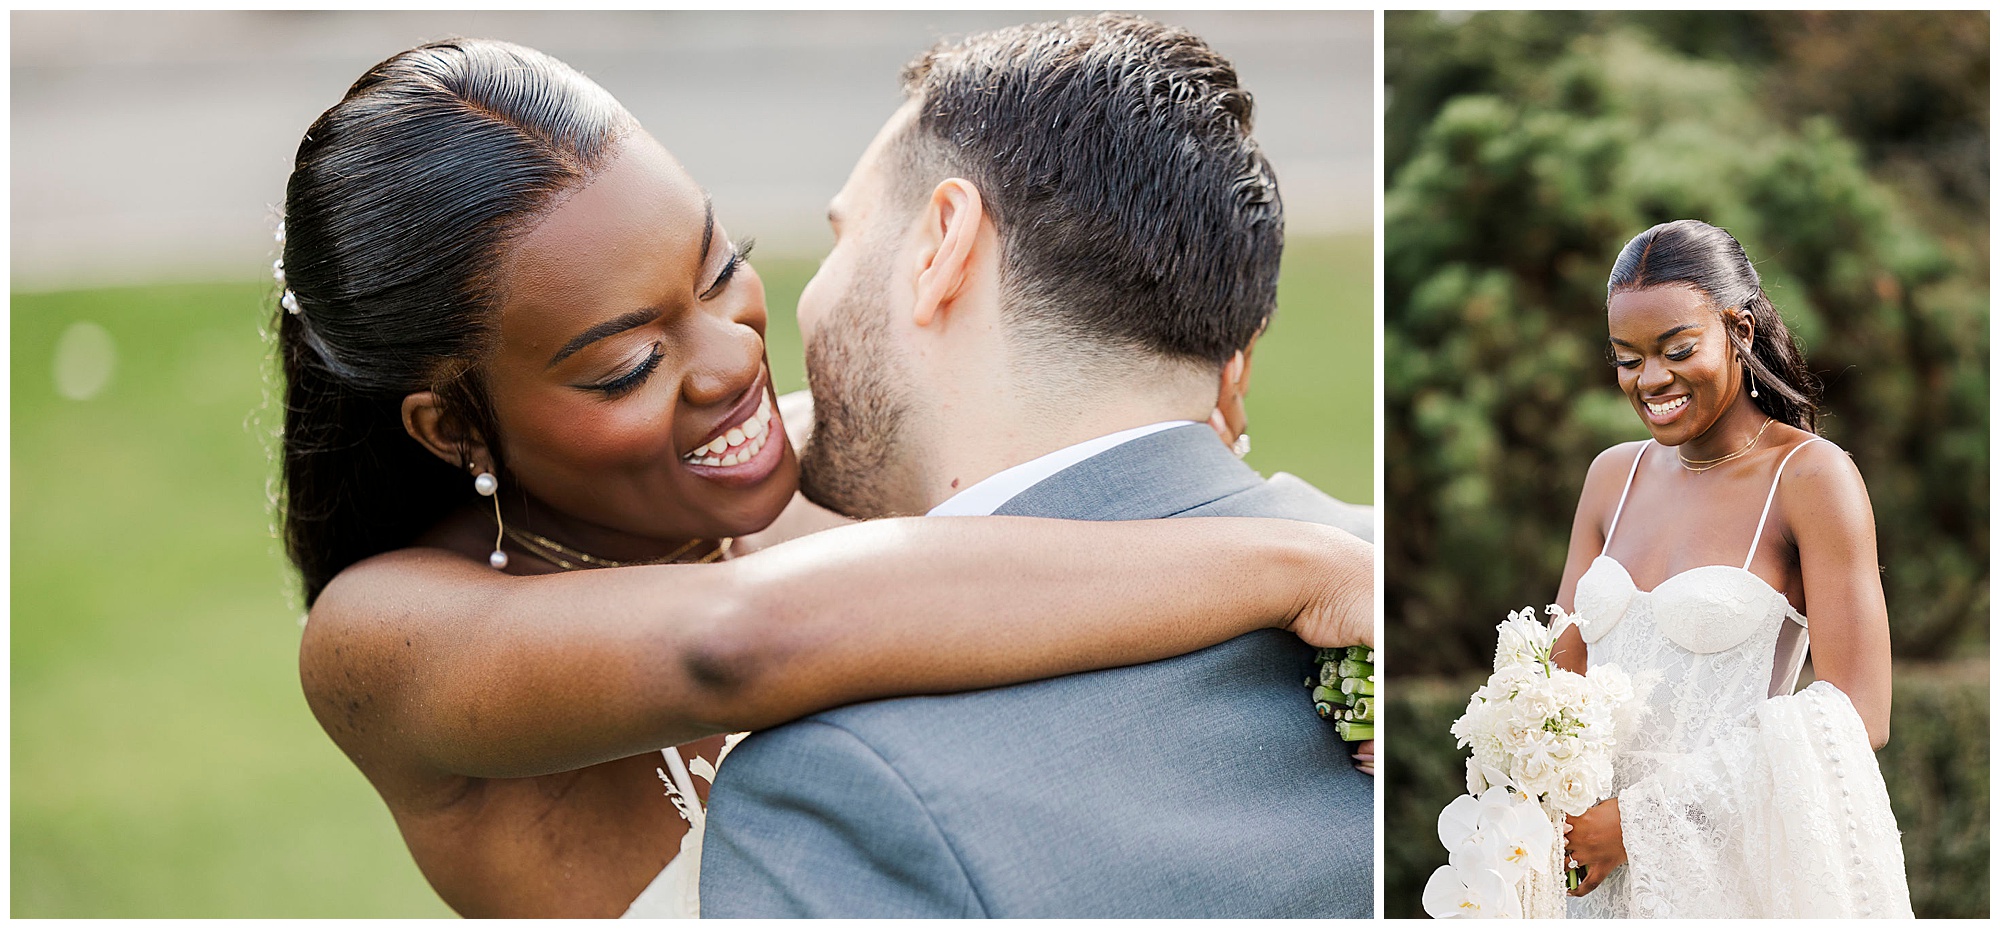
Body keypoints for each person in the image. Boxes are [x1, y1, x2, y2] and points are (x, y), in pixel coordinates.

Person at [277, 38, 1374, 919]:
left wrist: (1184, 383)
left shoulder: (770, 470)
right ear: (452, 426)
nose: (732, 358)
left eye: (718, 266)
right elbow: (732, 642)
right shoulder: (385, 637)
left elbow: (1006, 429)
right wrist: (1293, 560)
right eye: (627, 362)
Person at [698, 14, 1374, 918]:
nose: (809, 299)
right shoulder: (1409, 589)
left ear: (942, 245)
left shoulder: (850, 786)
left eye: (841, 239)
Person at [1548, 220, 1912, 917]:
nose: (1651, 379)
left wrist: (1637, 821)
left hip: (1720, 870)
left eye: (1677, 349)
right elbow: (1553, 675)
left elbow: (1861, 713)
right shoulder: (1610, 478)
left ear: (1738, 329)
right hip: (1585, 869)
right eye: (1627, 358)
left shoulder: (1811, 477)